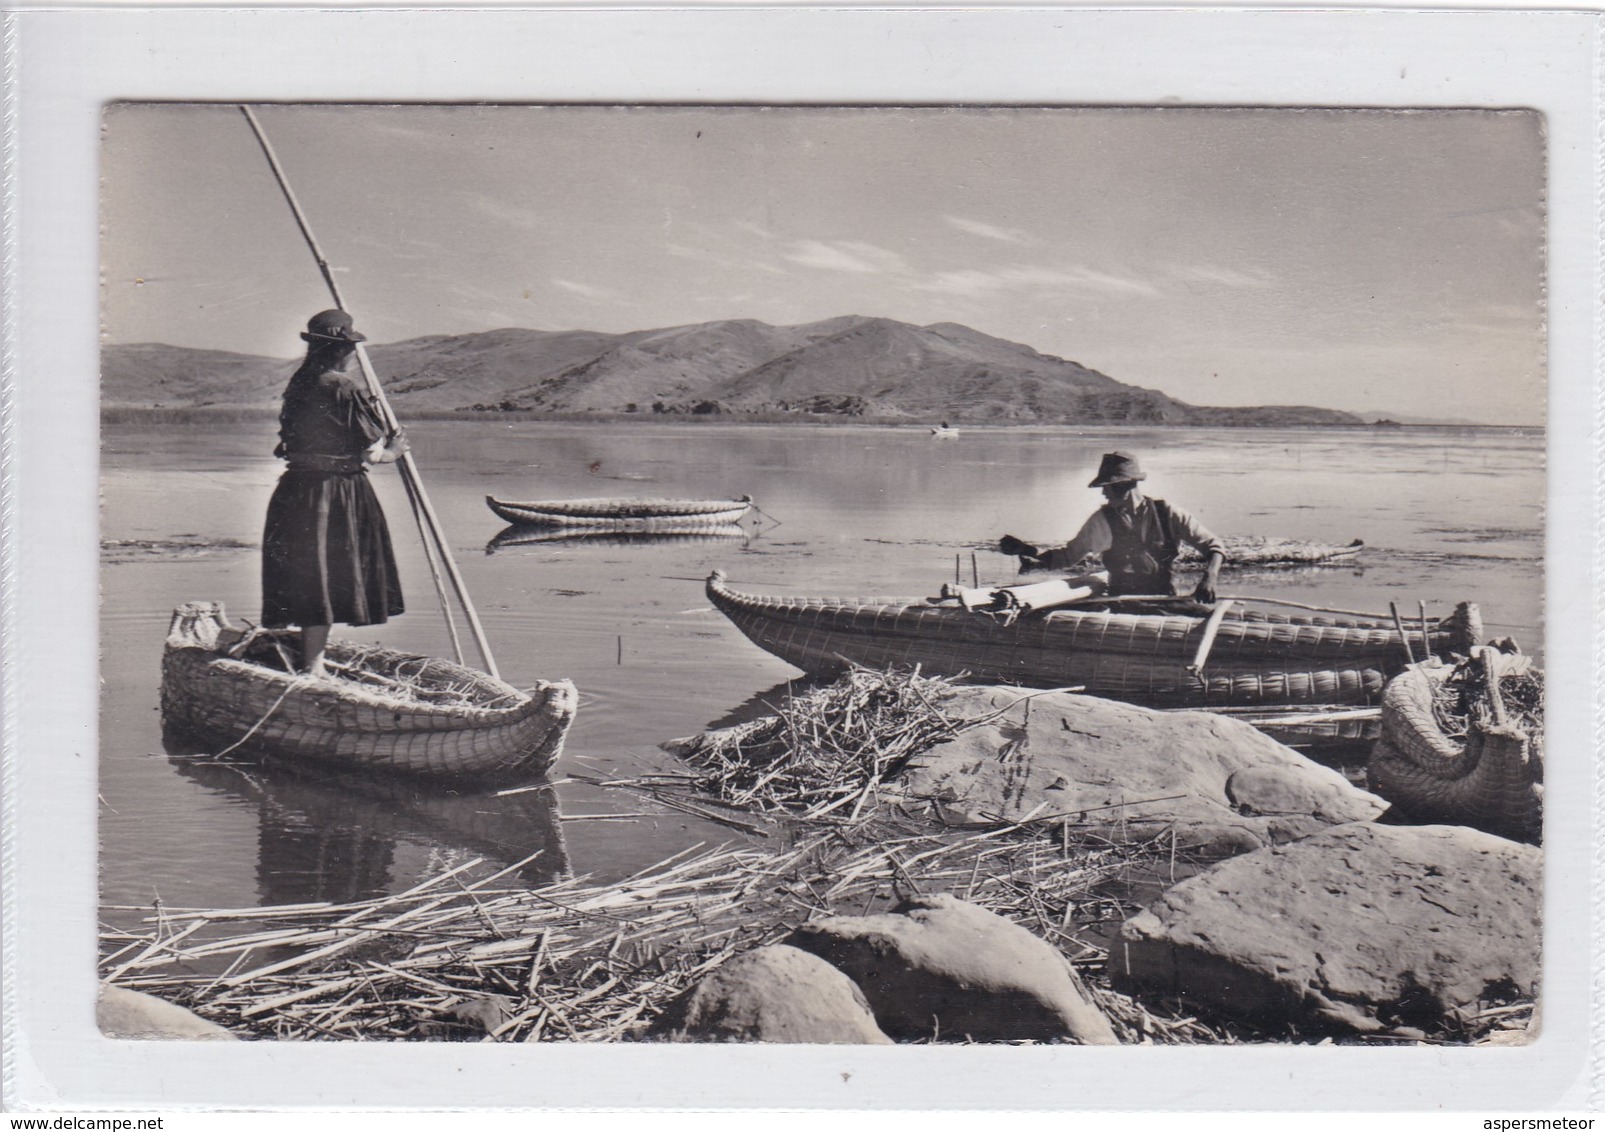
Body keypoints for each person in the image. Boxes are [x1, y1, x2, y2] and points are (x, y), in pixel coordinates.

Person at [261, 309, 408, 676]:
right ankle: (312, 666)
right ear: (341, 351)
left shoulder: (299, 383)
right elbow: (369, 451)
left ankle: (313, 659)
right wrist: (393, 452)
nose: (354, 354)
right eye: (350, 347)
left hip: (297, 490)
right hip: (335, 493)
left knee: (312, 572)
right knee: (323, 574)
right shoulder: (343, 388)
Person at [998, 450, 1227, 602]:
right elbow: (1068, 556)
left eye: (1108, 486)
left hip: (1163, 599)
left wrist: (1210, 576)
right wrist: (1027, 551)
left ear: (1124, 486)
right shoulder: (1101, 520)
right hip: (1121, 604)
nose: (1104, 493)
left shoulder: (1168, 513)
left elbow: (1214, 546)